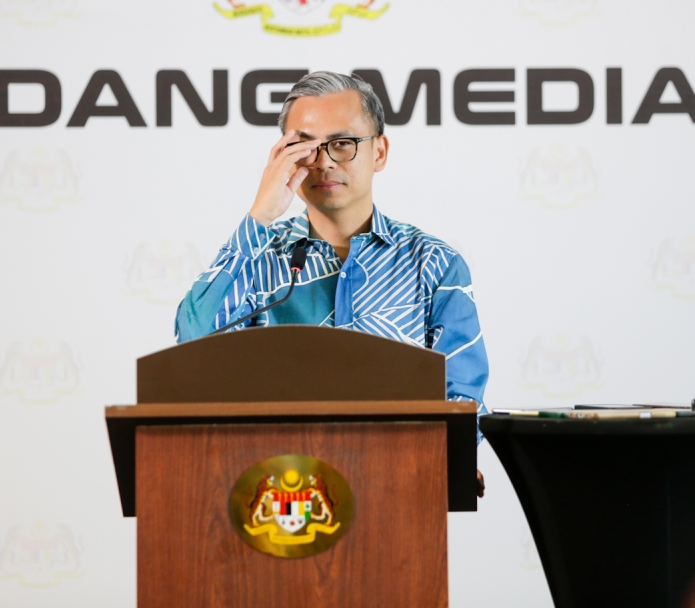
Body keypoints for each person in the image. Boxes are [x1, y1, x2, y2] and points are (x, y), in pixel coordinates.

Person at [174, 71, 488, 495]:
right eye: (303, 146)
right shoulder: (258, 258)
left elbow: (462, 396)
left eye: (342, 143)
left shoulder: (433, 263)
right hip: (274, 498)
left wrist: (444, 461)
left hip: (398, 495)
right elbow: (193, 343)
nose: (323, 161)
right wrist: (260, 216)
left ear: (379, 151)